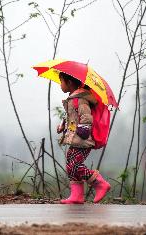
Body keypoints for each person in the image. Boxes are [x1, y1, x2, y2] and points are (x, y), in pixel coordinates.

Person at [56, 71, 111, 204]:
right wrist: (63, 125)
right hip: (74, 137)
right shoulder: (73, 98)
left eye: (61, 81)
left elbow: (86, 116)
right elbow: (72, 117)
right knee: (70, 165)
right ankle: (77, 195)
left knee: (74, 165)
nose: (60, 85)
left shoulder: (80, 99)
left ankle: (99, 183)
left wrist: (84, 129)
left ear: (69, 82)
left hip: (83, 138)